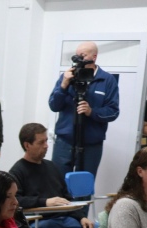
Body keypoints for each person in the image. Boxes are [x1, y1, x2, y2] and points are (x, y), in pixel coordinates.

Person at [9, 123, 95, 228]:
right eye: (41, 142)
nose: (46, 146)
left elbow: (66, 199)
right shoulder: (17, 171)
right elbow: (17, 201)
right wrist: (45, 202)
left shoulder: (51, 167)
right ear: (27, 145)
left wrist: (81, 217)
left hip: (64, 218)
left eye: (46, 141)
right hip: (39, 222)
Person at [48, 41, 119, 178]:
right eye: (76, 55)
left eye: (83, 55)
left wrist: (91, 112)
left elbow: (113, 111)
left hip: (91, 145)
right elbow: (53, 106)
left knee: (83, 187)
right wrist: (64, 84)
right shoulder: (67, 77)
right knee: (57, 184)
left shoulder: (107, 80)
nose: (78, 59)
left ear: (94, 57)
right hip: (65, 141)